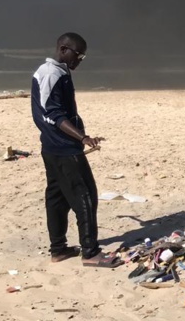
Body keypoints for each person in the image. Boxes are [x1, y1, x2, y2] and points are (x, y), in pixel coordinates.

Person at [31, 33, 122, 267]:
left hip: (52, 146)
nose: (80, 60)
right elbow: (53, 113)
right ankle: (90, 253)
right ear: (63, 49)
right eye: (78, 55)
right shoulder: (51, 74)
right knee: (86, 196)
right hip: (63, 149)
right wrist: (82, 137)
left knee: (57, 198)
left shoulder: (58, 71)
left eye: (83, 56)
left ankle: (58, 249)